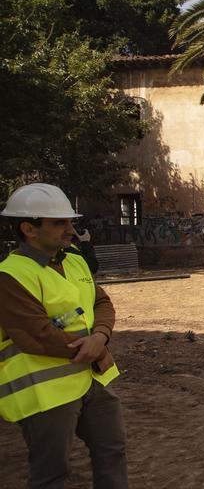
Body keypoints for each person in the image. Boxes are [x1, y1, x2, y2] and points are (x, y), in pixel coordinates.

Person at [0, 183, 126, 488]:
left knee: (112, 453)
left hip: (93, 380)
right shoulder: (11, 275)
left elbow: (101, 303)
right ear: (29, 228)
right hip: (46, 392)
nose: (71, 230)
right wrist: (95, 346)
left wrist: (100, 336)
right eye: (60, 223)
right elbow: (37, 335)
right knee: (51, 474)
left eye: (70, 222)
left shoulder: (75, 260)